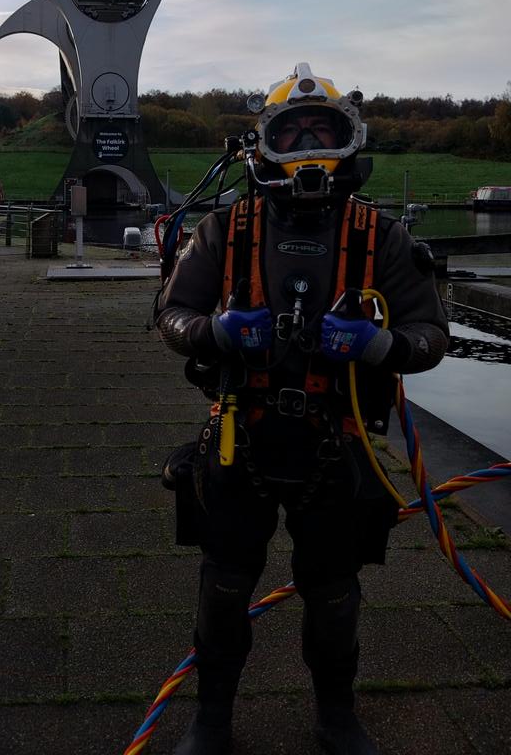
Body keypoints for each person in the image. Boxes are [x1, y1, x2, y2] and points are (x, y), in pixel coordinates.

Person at [155, 64, 449, 755]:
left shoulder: (382, 238)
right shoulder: (226, 229)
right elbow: (171, 312)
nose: (311, 143)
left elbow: (432, 336)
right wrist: (213, 333)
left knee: (334, 591)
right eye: (295, 131)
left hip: (335, 439)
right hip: (239, 434)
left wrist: (381, 346)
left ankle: (337, 715)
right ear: (264, 144)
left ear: (351, 141)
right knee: (224, 584)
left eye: (326, 129)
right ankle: (212, 719)